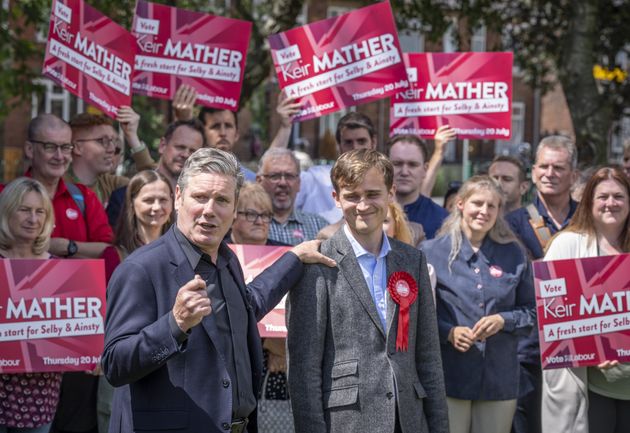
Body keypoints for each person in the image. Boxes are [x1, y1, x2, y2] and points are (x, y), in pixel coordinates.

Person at [102, 147, 334, 433]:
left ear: (234, 209)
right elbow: (114, 365)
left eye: (222, 200)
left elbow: (248, 307)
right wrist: (174, 325)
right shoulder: (140, 269)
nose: (209, 210)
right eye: (200, 197)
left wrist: (294, 258)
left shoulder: (227, 260)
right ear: (178, 198)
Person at [287, 149, 448, 433]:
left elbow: (428, 357)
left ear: (391, 193)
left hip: (409, 419)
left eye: (373, 194)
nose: (362, 205)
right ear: (336, 198)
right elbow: (304, 370)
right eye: (352, 196)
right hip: (347, 422)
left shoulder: (413, 260)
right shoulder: (317, 263)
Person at [423, 175, 535, 433]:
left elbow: (532, 312)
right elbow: (418, 312)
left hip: (499, 378)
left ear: (499, 211)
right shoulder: (431, 251)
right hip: (450, 375)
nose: (484, 211)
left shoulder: (514, 253)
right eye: (477, 203)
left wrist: (503, 320)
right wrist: (447, 332)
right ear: (460, 204)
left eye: (492, 206)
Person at [541, 166, 630, 433]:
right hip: (589, 388)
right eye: (602, 197)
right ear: (589, 201)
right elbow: (552, 315)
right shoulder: (566, 245)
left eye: (619, 196)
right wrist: (590, 346)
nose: (610, 203)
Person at [505, 135, 578, 433]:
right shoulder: (511, 222)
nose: (550, 173)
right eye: (544, 166)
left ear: (573, 175)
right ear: (533, 172)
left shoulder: (588, 219)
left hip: (577, 343)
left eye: (559, 167)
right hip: (528, 346)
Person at [98, 170, 174, 433]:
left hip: (171, 364)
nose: (157, 207)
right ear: (132, 203)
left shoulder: (188, 255)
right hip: (126, 362)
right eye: (148, 200)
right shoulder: (114, 256)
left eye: (163, 200)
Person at [0, 178, 59, 433]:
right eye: (24, 209)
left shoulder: (60, 270)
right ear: (7, 212)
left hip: (39, 394)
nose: (33, 219)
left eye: (40, 211)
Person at [106, 119, 206, 227]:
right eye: (180, 147)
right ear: (162, 145)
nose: (185, 154)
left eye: (193, 151)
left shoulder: (204, 203)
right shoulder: (125, 197)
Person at [67, 108, 153, 207]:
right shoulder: (56, 184)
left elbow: (154, 186)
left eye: (112, 141)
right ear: (77, 147)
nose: (112, 149)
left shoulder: (112, 184)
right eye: (102, 141)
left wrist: (132, 136)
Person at [257, 148, 328, 245]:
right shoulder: (247, 224)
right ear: (259, 181)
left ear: (299, 183)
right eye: (275, 176)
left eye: (289, 176)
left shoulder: (319, 226)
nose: (283, 183)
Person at [388, 134, 449, 240]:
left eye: (412, 165)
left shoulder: (443, 219)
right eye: (397, 164)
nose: (404, 172)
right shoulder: (371, 211)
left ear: (425, 169)